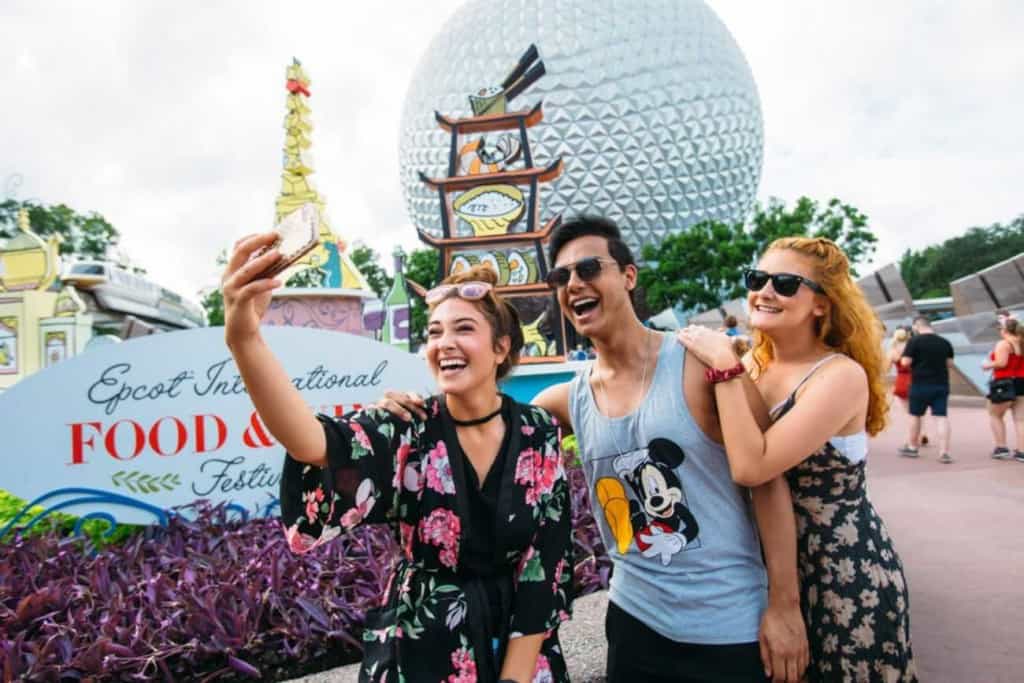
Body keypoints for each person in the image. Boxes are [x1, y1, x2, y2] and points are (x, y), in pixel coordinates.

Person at [379, 217, 809, 683]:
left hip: (729, 625)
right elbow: (478, 421)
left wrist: (784, 608)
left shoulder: (703, 365)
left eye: (589, 268)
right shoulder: (567, 399)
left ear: (628, 275)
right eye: (561, 277)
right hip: (633, 626)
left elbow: (767, 483)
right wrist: (410, 408)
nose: (574, 284)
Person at [221, 238, 573, 683]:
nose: (445, 343)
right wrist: (244, 338)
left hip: (523, 651)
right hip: (424, 647)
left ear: (501, 348)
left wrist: (514, 678)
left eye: (463, 329)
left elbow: (546, 560)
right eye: (434, 332)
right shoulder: (406, 425)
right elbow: (312, 443)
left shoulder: (537, 431)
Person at [678, 236, 917, 682]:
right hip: (763, 567)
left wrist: (723, 365)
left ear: (822, 305)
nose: (766, 291)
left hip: (841, 573)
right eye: (758, 279)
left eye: (786, 283)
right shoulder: (751, 366)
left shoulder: (838, 376)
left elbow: (754, 466)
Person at [898, 316, 955, 463]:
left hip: (920, 384)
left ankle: (912, 447)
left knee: (915, 415)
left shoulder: (914, 341)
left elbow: (905, 362)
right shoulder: (944, 342)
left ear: (917, 326)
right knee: (941, 417)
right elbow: (949, 363)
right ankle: (944, 452)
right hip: (941, 384)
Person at [982, 318, 1024, 461]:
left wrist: (987, 365)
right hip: (1021, 381)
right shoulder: (1022, 342)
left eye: (1000, 329)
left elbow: (1001, 363)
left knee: (995, 415)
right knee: (1020, 420)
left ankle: (1001, 448)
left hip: (1004, 382)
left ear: (1005, 330)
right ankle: (1022, 451)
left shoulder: (1003, 344)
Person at [887, 328, 929, 446]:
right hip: (917, 380)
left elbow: (886, 369)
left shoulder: (893, 351)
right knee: (919, 411)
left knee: (909, 413)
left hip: (901, 382)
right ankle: (923, 433)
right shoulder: (915, 348)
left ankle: (913, 439)